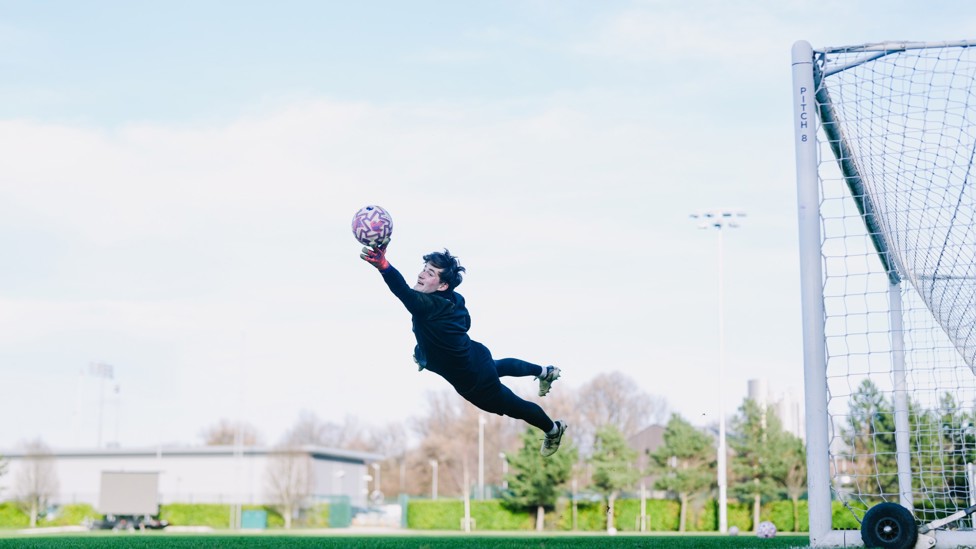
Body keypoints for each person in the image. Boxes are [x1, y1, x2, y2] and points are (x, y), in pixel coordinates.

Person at [361, 241, 567, 457]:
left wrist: (384, 266)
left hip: (475, 382)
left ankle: (553, 429)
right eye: (424, 269)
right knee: (497, 366)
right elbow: (465, 322)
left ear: (442, 286)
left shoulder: (427, 305)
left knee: (516, 406)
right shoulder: (454, 299)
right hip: (476, 355)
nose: (421, 275)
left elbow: (402, 291)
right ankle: (545, 371)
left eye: (430, 273)